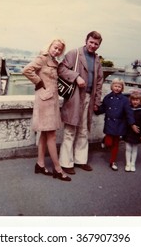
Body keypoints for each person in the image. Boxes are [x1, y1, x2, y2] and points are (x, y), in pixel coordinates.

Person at [22, 39, 71, 182]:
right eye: (55, 48)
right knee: (52, 135)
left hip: (51, 101)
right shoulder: (42, 58)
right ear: (50, 46)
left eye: (59, 50)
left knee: (44, 133)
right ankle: (58, 169)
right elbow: (26, 70)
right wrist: (39, 82)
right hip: (45, 101)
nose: (57, 51)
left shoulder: (54, 62)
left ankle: (40, 164)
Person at [58, 31, 104, 175]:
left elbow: (99, 83)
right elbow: (61, 69)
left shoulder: (97, 60)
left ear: (99, 45)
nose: (93, 45)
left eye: (96, 44)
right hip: (75, 97)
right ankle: (66, 163)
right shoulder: (74, 53)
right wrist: (76, 77)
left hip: (89, 98)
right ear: (86, 41)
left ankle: (80, 160)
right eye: (91, 42)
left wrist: (96, 101)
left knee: (84, 130)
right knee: (70, 129)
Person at [95, 78, 139, 171]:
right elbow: (103, 108)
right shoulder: (107, 97)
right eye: (115, 86)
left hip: (119, 125)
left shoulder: (125, 100)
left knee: (115, 144)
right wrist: (96, 109)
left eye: (119, 86)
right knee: (108, 142)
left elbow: (129, 113)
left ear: (122, 88)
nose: (117, 88)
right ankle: (104, 141)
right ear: (112, 86)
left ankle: (112, 161)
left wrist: (132, 124)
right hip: (109, 124)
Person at [123, 91, 141, 172]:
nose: (135, 102)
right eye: (133, 100)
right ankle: (128, 163)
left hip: (137, 133)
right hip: (128, 131)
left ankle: (132, 163)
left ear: (140, 100)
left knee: (134, 148)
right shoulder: (128, 109)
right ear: (130, 100)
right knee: (127, 148)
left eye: (137, 100)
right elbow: (125, 120)